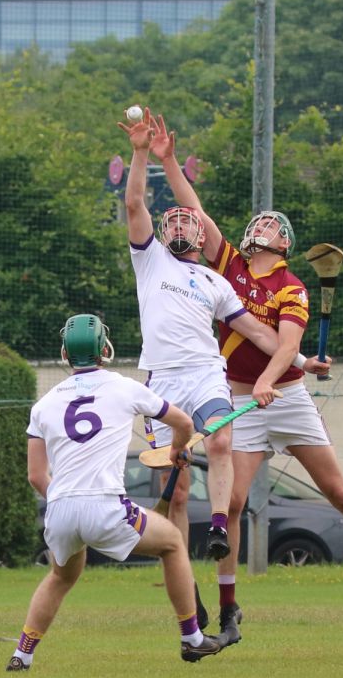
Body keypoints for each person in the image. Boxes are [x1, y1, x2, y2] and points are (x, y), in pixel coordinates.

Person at [148, 111, 343, 643]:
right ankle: (229, 614)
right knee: (229, 505)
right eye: (259, 221)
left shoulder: (292, 287)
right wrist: (167, 161)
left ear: (284, 241)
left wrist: (287, 371)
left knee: (340, 494)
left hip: (288, 402)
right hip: (240, 400)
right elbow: (195, 213)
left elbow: (286, 343)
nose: (261, 224)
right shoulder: (225, 265)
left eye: (271, 223)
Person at [118, 109, 328, 628]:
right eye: (178, 221)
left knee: (217, 439)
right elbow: (134, 201)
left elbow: (260, 334)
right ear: (165, 234)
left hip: (206, 374)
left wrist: (300, 361)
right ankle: (185, 582)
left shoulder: (216, 283)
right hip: (162, 381)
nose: (184, 223)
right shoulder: (149, 259)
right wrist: (143, 152)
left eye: (190, 220)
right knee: (176, 486)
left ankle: (217, 527)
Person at [6, 313, 227, 671]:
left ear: (64, 354)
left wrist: (68, 504)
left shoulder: (43, 404)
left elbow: (36, 476)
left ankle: (22, 654)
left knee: (61, 577)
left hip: (59, 509)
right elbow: (184, 423)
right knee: (171, 541)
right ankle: (192, 638)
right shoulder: (124, 386)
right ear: (104, 349)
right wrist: (178, 449)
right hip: (105, 506)